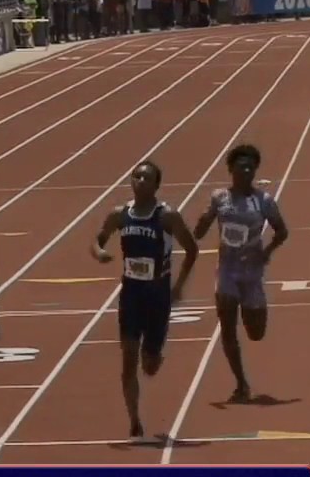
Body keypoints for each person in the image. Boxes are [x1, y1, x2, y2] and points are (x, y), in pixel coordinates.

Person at [91, 160, 199, 440]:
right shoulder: (119, 215)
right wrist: (100, 252)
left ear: (156, 185)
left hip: (157, 296)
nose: (140, 181)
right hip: (131, 295)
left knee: (148, 365)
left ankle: (154, 354)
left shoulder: (167, 217)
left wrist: (178, 287)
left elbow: (191, 250)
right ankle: (134, 421)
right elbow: (97, 240)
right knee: (128, 359)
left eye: (146, 178)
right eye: (136, 176)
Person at [193, 144, 289, 403]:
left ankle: (255, 312)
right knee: (227, 327)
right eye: (240, 166)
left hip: (251, 272)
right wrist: (203, 222)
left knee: (256, 332)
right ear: (230, 169)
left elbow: (282, 231)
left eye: (250, 167)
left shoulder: (263, 201)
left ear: (255, 170)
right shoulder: (219, 198)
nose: (245, 171)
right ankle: (241, 384)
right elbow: (199, 231)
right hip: (227, 270)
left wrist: (267, 251)